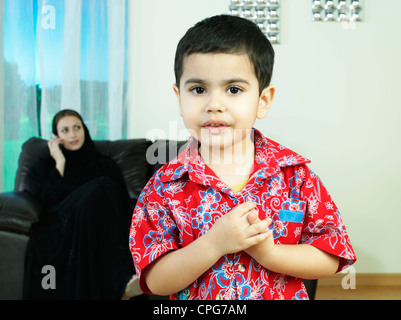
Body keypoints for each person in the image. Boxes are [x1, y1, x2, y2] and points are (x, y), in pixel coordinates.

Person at [129, 15, 356, 300]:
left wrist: (271, 254)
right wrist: (213, 245)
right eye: (198, 90)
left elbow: (331, 255)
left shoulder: (295, 176)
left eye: (233, 90)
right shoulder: (164, 187)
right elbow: (155, 280)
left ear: (263, 101)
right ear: (179, 98)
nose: (214, 105)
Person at [23, 109, 143, 300]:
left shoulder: (104, 164)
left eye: (77, 127)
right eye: (65, 130)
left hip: (94, 224)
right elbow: (45, 199)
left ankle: (125, 282)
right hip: (61, 220)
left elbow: (118, 205)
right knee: (102, 185)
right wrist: (60, 162)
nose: (72, 134)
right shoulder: (46, 165)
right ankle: (120, 287)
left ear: (84, 129)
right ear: (56, 137)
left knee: (104, 187)